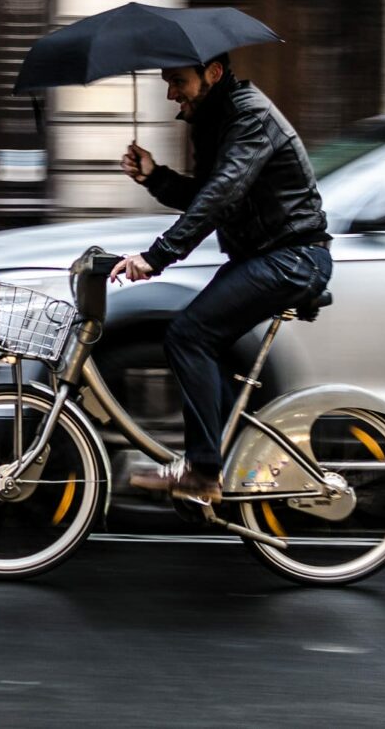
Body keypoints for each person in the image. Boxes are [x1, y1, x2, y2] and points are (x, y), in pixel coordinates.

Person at [108, 53, 331, 504]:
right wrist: (155, 177)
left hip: (292, 258)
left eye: (178, 81)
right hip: (267, 256)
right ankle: (230, 458)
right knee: (202, 346)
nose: (171, 92)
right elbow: (209, 195)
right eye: (167, 82)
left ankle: (203, 471)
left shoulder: (249, 117)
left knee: (188, 336)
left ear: (212, 73)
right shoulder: (218, 117)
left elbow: (220, 195)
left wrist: (158, 256)